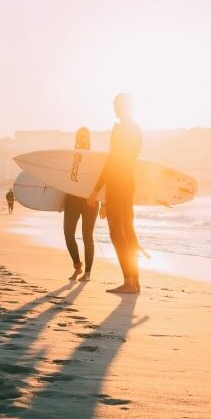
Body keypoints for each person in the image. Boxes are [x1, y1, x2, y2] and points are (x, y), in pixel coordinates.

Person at [87, 94, 142, 294]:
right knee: (128, 230)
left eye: (117, 105)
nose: (115, 109)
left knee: (116, 232)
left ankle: (129, 281)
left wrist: (95, 191)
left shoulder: (119, 130)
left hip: (117, 183)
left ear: (123, 107)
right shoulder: (137, 130)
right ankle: (135, 281)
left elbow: (112, 161)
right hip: (129, 183)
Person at [64, 127, 99, 281]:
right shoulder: (70, 156)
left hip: (89, 201)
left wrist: (104, 203)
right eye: (80, 136)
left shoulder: (95, 157)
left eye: (85, 136)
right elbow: (63, 179)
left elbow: (102, 181)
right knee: (68, 234)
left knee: (87, 236)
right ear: (77, 139)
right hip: (72, 199)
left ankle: (88, 273)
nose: (83, 139)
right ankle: (77, 266)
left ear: (89, 139)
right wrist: (58, 202)